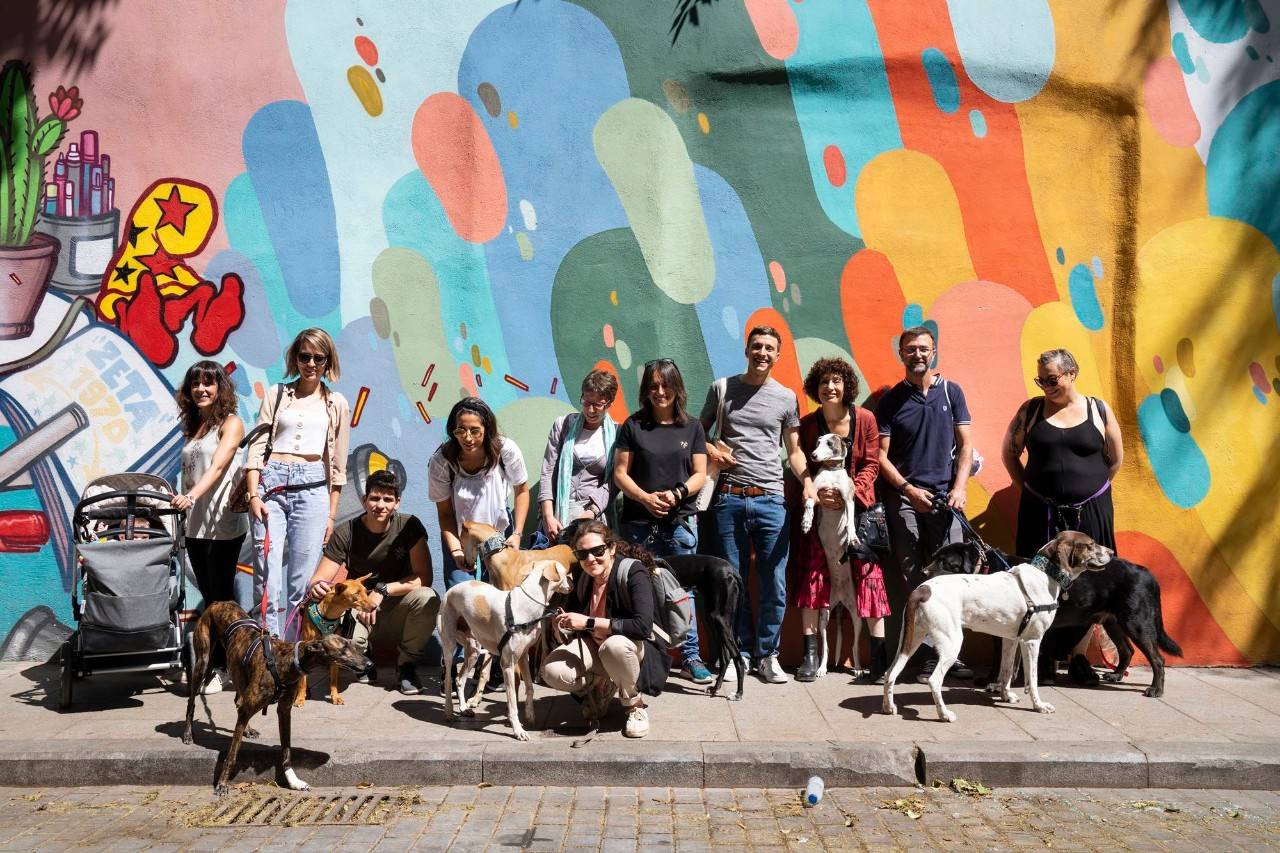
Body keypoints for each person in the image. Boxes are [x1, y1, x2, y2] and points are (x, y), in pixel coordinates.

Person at [699, 326, 813, 684]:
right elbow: (695, 432)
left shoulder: (786, 397)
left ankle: (768, 655)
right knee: (731, 583)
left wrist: (807, 481)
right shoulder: (722, 389)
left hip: (771, 501)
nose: (763, 353)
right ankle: (738, 655)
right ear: (746, 350)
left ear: (778, 355)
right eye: (757, 347)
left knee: (774, 582)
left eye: (770, 348)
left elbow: (793, 451)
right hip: (728, 498)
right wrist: (713, 449)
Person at [1003, 348, 1123, 679]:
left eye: (1052, 379)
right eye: (1041, 379)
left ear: (1072, 373)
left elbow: (1115, 459)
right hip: (1040, 513)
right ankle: (1039, 661)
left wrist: (1091, 492)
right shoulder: (1030, 411)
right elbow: (1010, 454)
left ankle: (1080, 658)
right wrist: (1028, 489)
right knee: (1037, 580)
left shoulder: (1099, 409)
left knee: (1091, 583)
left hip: (1091, 512)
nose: (1046, 385)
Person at [875, 325, 974, 682]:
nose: (917, 354)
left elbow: (966, 446)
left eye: (923, 349)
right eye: (910, 349)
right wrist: (908, 490)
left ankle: (945, 655)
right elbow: (880, 457)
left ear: (933, 352)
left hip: (947, 503)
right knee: (916, 579)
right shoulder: (890, 401)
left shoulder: (952, 392)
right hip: (905, 502)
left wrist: (960, 487)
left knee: (950, 580)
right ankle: (927, 657)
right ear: (900, 354)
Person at [244, 329, 350, 639]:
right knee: (266, 575)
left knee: (302, 581)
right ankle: (266, 649)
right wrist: (253, 494)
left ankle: (291, 653)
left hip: (313, 488)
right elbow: (256, 448)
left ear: (328, 361)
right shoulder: (277, 394)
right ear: (296, 358)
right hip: (271, 486)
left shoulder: (336, 403)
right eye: (305, 356)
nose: (312, 364)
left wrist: (331, 514)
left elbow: (338, 466)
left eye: (319, 358)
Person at [790, 358, 890, 684]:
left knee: (870, 579)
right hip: (819, 517)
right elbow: (802, 463)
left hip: (859, 515)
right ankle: (810, 655)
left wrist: (850, 491)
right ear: (815, 390)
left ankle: (878, 658)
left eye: (836, 381)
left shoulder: (866, 420)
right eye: (823, 383)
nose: (830, 388)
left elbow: (873, 464)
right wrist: (818, 494)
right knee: (813, 579)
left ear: (847, 385)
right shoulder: (808, 425)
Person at [613, 359, 709, 684]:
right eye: (653, 386)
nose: (660, 391)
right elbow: (620, 474)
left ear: (676, 387)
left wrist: (678, 493)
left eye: (665, 384)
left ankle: (691, 656)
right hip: (639, 523)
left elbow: (700, 473)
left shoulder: (692, 427)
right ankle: (649, 658)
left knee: (683, 592)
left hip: (680, 523)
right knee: (641, 588)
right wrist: (645, 498)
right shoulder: (633, 426)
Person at [307, 469, 439, 695]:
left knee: (428, 597)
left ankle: (406, 666)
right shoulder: (346, 531)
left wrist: (383, 590)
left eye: (388, 499)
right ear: (364, 500)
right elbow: (320, 578)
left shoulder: (409, 526)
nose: (381, 505)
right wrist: (316, 586)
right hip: (361, 611)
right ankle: (363, 658)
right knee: (351, 637)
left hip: (398, 607)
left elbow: (423, 577)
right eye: (375, 498)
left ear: (397, 503)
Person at [541, 521, 670, 738]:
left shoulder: (633, 571)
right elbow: (576, 622)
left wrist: (589, 622)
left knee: (614, 646)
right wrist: (561, 625)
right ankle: (601, 688)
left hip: (633, 648)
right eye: (582, 554)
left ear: (611, 548)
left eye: (597, 551)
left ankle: (635, 705)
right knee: (552, 670)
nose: (590, 559)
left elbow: (642, 626)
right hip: (595, 646)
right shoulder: (583, 575)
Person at [171, 360, 248, 694]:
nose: (201, 390)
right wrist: (184, 500)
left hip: (222, 522)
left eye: (208, 383)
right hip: (196, 524)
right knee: (210, 596)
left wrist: (191, 496)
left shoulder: (231, 423)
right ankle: (221, 663)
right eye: (195, 384)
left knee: (221, 598)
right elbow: (192, 470)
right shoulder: (195, 427)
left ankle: (224, 667)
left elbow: (218, 467)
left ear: (220, 388)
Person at [429, 397, 529, 587]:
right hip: (460, 534)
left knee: (501, 590)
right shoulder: (442, 462)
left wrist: (517, 534)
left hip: (499, 528)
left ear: (487, 429)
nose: (467, 438)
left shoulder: (505, 450)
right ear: (453, 430)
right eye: (460, 430)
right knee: (461, 592)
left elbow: (522, 490)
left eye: (475, 431)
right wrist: (456, 550)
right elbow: (445, 512)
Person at [535, 369, 620, 546]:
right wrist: (548, 516)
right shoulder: (563, 425)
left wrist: (590, 514)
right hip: (558, 514)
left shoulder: (617, 434)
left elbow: (614, 481)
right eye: (586, 402)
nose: (590, 409)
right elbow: (548, 471)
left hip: (593, 517)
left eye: (598, 405)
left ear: (610, 404)